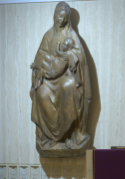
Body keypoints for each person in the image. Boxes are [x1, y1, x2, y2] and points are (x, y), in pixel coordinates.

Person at [30, 2, 91, 148]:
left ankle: (66, 134)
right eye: (59, 16)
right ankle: (51, 134)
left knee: (68, 87)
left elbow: (81, 59)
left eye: (64, 18)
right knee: (41, 93)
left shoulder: (72, 36)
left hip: (66, 78)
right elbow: (40, 57)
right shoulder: (48, 36)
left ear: (67, 19)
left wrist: (70, 55)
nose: (61, 20)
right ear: (54, 15)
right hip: (49, 78)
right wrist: (43, 65)